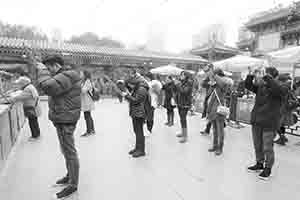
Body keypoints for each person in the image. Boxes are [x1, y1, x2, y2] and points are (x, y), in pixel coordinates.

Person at [36, 55, 81, 199]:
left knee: (69, 152)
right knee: (66, 150)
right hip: (63, 117)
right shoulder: (63, 75)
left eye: (48, 67)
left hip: (66, 118)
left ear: (56, 65)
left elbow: (48, 87)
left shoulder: (67, 75)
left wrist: (41, 71)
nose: (48, 71)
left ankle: (73, 185)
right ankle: (70, 176)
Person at [245, 67, 288, 180]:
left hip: (270, 122)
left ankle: (268, 168)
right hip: (257, 120)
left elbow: (278, 91)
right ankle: (259, 163)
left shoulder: (281, 87)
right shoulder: (261, 86)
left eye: (266, 75)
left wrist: (267, 77)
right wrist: (250, 75)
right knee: (257, 144)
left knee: (267, 147)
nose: (263, 77)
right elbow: (248, 86)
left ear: (272, 77)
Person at [205, 66, 233, 156]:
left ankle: (220, 148)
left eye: (214, 75)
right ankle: (215, 145)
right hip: (213, 110)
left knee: (220, 130)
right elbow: (203, 84)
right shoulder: (214, 85)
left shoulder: (224, 83)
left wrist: (214, 75)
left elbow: (222, 84)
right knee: (214, 130)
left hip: (219, 110)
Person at [123, 73, 151, 158]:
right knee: (137, 131)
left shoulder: (142, 88)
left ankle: (141, 150)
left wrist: (127, 96)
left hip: (140, 113)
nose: (130, 86)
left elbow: (136, 100)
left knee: (139, 132)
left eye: (130, 84)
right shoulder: (139, 86)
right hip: (136, 112)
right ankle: (137, 148)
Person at [6, 76, 41, 141]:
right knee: (34, 121)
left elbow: (19, 97)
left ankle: (35, 136)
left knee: (32, 122)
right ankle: (37, 134)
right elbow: (21, 91)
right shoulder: (29, 87)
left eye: (20, 83)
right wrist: (13, 91)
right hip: (33, 107)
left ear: (24, 83)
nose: (19, 85)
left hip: (31, 108)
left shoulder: (28, 89)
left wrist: (6, 100)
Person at [174, 71, 193, 143]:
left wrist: (178, 84)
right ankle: (182, 133)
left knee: (183, 119)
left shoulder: (189, 82)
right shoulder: (181, 82)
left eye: (183, 75)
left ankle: (185, 136)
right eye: (181, 74)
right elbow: (177, 91)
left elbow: (184, 91)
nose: (181, 76)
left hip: (185, 104)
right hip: (180, 103)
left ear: (186, 76)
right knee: (181, 119)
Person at [80, 70, 96, 137]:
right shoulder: (85, 82)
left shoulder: (88, 82)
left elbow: (83, 91)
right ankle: (92, 130)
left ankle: (89, 131)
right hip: (86, 101)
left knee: (87, 116)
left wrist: (78, 87)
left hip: (87, 101)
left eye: (81, 74)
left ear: (85, 75)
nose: (80, 75)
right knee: (88, 115)